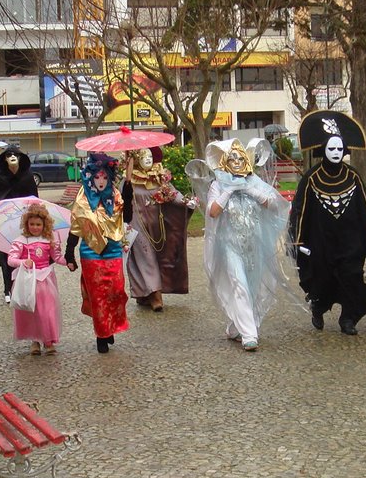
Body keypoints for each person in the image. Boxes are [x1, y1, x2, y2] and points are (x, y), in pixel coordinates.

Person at [191, 139, 290, 352]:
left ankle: (236, 327)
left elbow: (275, 205)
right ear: (225, 161)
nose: (236, 161)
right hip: (229, 245)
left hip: (254, 245)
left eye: (239, 157)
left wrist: (253, 192)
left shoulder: (254, 182)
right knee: (239, 284)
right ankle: (249, 334)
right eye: (232, 157)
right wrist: (229, 191)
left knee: (252, 287)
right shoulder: (218, 185)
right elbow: (213, 212)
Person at [289, 133, 366, 335]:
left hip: (350, 240)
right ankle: (318, 309)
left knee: (351, 276)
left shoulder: (353, 176)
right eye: (331, 149)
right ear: (323, 151)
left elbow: (365, 207)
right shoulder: (311, 178)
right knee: (321, 278)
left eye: (339, 149)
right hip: (320, 241)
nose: (336, 153)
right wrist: (297, 239)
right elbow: (300, 209)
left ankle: (348, 318)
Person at [63, 153, 128, 354]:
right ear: (90, 177)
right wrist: (69, 254)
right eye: (97, 177)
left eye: (104, 177)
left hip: (114, 250)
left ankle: (110, 326)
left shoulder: (116, 196)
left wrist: (131, 187)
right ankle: (101, 334)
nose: (101, 181)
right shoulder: (82, 200)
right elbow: (76, 228)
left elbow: (126, 218)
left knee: (116, 291)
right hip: (91, 253)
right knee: (98, 296)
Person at [121, 146, 196, 312]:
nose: (148, 159)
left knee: (160, 256)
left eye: (150, 156)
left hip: (159, 225)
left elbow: (172, 193)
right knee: (146, 258)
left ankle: (144, 294)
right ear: (137, 159)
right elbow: (121, 200)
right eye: (143, 156)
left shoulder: (159, 177)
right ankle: (156, 296)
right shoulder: (129, 179)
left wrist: (186, 202)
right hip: (137, 225)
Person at [7, 203, 67, 355]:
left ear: (44, 224)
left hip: (46, 279)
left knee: (47, 310)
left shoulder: (49, 240)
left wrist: (69, 262)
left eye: (38, 224)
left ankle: (48, 340)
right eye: (32, 224)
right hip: (29, 280)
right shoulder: (21, 241)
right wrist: (22, 262)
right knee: (31, 311)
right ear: (26, 224)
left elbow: (57, 257)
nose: (35, 227)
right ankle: (35, 339)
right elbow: (11, 259)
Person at [0, 147, 36, 303]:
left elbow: (34, 197)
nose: (12, 157)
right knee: (6, 256)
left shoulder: (27, 176)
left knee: (25, 254)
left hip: (24, 222)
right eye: (9, 155)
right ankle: (7, 288)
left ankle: (23, 287)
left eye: (15, 155)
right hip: (5, 221)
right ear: (4, 159)